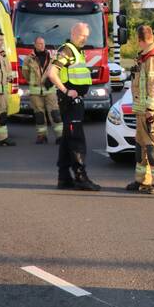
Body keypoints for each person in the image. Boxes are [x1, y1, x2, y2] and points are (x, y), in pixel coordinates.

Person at [47, 22, 100, 191]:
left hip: (74, 102)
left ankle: (64, 178)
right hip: (70, 102)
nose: (84, 38)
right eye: (81, 35)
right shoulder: (67, 50)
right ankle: (80, 177)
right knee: (77, 140)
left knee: (67, 139)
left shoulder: (77, 51)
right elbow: (52, 73)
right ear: (73, 33)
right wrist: (66, 90)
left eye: (86, 36)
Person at [126, 25, 154, 194]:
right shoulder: (146, 57)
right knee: (141, 147)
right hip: (142, 110)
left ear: (139, 40)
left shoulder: (153, 57)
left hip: (151, 111)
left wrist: (150, 108)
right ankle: (143, 180)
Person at [22, 36, 62, 144]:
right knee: (39, 115)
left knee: (55, 113)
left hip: (50, 90)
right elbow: (25, 74)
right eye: (39, 44)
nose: (42, 45)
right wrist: (34, 82)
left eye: (43, 43)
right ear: (35, 45)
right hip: (35, 91)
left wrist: (51, 80)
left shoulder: (52, 57)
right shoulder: (28, 58)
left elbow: (58, 71)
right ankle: (42, 136)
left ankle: (60, 136)